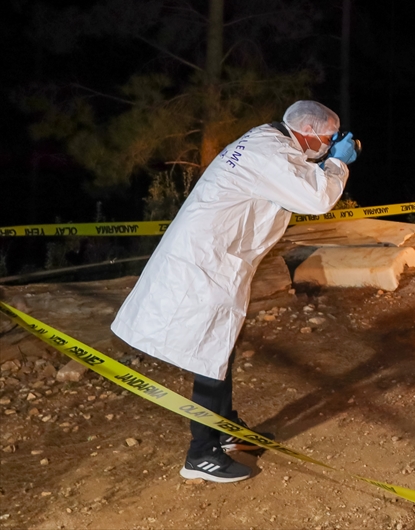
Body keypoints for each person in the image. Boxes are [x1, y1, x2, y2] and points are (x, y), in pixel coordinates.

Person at [111, 100, 359, 483]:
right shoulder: (269, 153)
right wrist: (337, 164)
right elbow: (318, 198)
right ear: (307, 132)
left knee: (221, 345)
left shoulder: (271, 143)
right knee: (210, 351)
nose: (329, 145)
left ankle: (225, 429)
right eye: (328, 139)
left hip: (218, 258)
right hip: (205, 263)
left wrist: (325, 162)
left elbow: (294, 181)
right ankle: (200, 454)